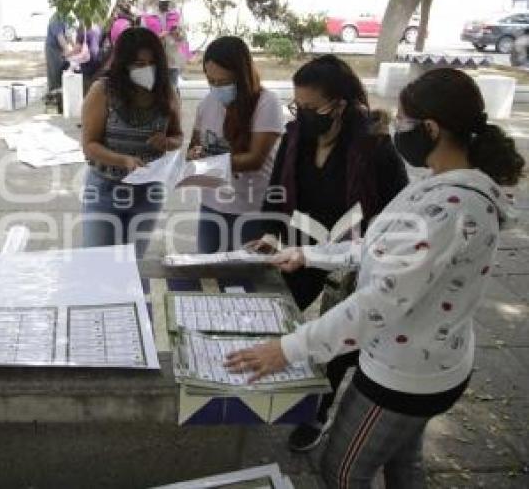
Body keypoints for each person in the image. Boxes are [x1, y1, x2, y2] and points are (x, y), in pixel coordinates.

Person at [226, 68, 524, 489]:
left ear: (431, 128)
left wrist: (288, 349)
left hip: (404, 374)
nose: (395, 127)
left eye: (402, 121)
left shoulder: (451, 206)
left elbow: (378, 301)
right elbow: (377, 246)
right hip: (426, 359)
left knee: (343, 472)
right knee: (403, 464)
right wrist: (306, 253)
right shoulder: (442, 186)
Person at [250, 54, 408, 451]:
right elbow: (276, 190)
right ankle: (266, 380)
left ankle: (318, 412)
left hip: (353, 254)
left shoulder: (375, 147)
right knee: (272, 309)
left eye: (310, 107)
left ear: (340, 104)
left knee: (339, 339)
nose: (301, 114)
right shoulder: (295, 136)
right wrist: (270, 232)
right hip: (302, 245)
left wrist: (366, 250)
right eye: (296, 106)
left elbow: (396, 214)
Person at [81, 26, 183, 258]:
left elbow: (178, 136)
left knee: (133, 266)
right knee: (98, 264)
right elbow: (89, 146)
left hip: (148, 192)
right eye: (138, 64)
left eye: (151, 63)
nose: (146, 69)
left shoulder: (167, 92)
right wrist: (123, 160)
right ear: (123, 64)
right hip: (105, 190)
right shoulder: (103, 91)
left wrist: (167, 142)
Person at [186, 36, 284, 253]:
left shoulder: (267, 103)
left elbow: (254, 159)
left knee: (247, 278)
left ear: (242, 76)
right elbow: (194, 146)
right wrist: (193, 156)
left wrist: (209, 162)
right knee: (209, 273)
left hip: (251, 209)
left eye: (224, 82)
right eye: (211, 81)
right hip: (212, 206)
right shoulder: (207, 103)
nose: (216, 88)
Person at [45, 12, 74, 97]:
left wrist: (74, 47)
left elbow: (68, 35)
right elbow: (60, 37)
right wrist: (68, 51)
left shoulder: (66, 17)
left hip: (60, 48)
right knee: (55, 70)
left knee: (61, 69)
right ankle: (53, 94)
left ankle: (60, 92)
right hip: (53, 48)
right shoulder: (55, 19)